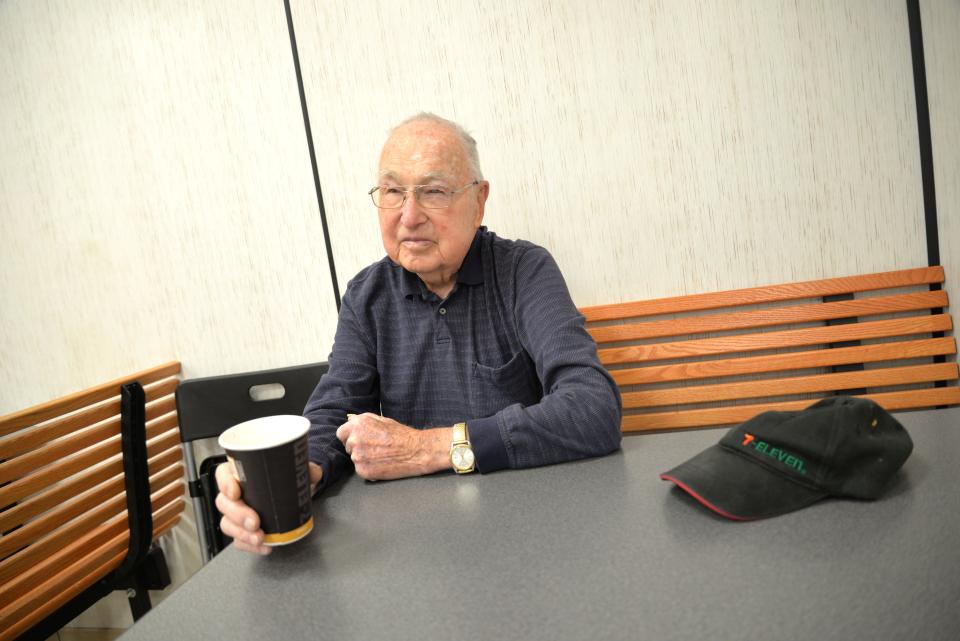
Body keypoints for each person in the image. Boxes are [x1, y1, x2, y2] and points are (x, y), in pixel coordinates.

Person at [216, 113, 622, 554]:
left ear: (479, 200)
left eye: (433, 191)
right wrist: (297, 474)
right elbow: (333, 410)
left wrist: (428, 448)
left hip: (532, 530)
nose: (409, 217)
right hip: (414, 543)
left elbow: (593, 409)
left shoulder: (524, 271)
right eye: (393, 191)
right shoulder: (367, 295)